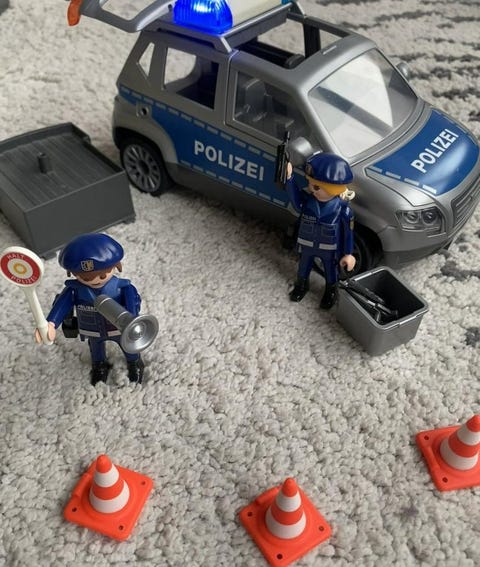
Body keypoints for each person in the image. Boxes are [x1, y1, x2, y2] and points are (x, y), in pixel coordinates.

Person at [35, 233, 145, 384]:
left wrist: (132, 323)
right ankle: (99, 366)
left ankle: (134, 363)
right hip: (93, 329)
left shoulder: (123, 288)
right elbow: (61, 305)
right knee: (96, 349)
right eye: (86, 278)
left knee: (129, 346)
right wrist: (50, 323)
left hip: (119, 328)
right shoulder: (74, 291)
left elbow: (132, 307)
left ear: (116, 266)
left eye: (102, 275)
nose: (95, 281)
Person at [285, 152, 356, 309]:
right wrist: (289, 178)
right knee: (303, 267)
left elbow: (348, 234)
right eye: (310, 184)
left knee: (330, 271)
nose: (312, 189)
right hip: (307, 243)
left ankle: (331, 292)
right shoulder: (308, 201)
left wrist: (348, 253)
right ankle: (301, 285)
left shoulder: (342, 210)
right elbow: (296, 202)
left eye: (317, 187)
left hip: (328, 249)